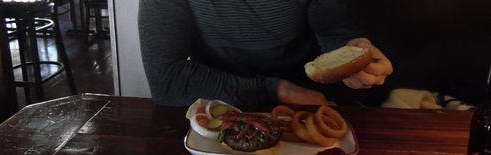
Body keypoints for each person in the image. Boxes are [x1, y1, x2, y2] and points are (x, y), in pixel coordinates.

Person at [138, 0, 393, 107]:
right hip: (217, 112)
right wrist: (275, 90)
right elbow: (166, 80)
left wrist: (354, 54)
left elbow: (333, 29)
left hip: (307, 112)